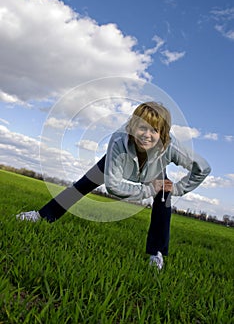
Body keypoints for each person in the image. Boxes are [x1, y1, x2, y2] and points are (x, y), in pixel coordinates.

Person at [17, 102, 211, 270]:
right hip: (118, 164)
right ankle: (41, 215)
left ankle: (156, 253)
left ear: (163, 134)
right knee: (82, 185)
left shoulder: (170, 147)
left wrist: (176, 189)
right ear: (133, 126)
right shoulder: (119, 140)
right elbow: (113, 187)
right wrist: (148, 189)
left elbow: (203, 168)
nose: (147, 135)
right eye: (142, 127)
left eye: (154, 130)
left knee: (163, 199)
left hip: (154, 172)